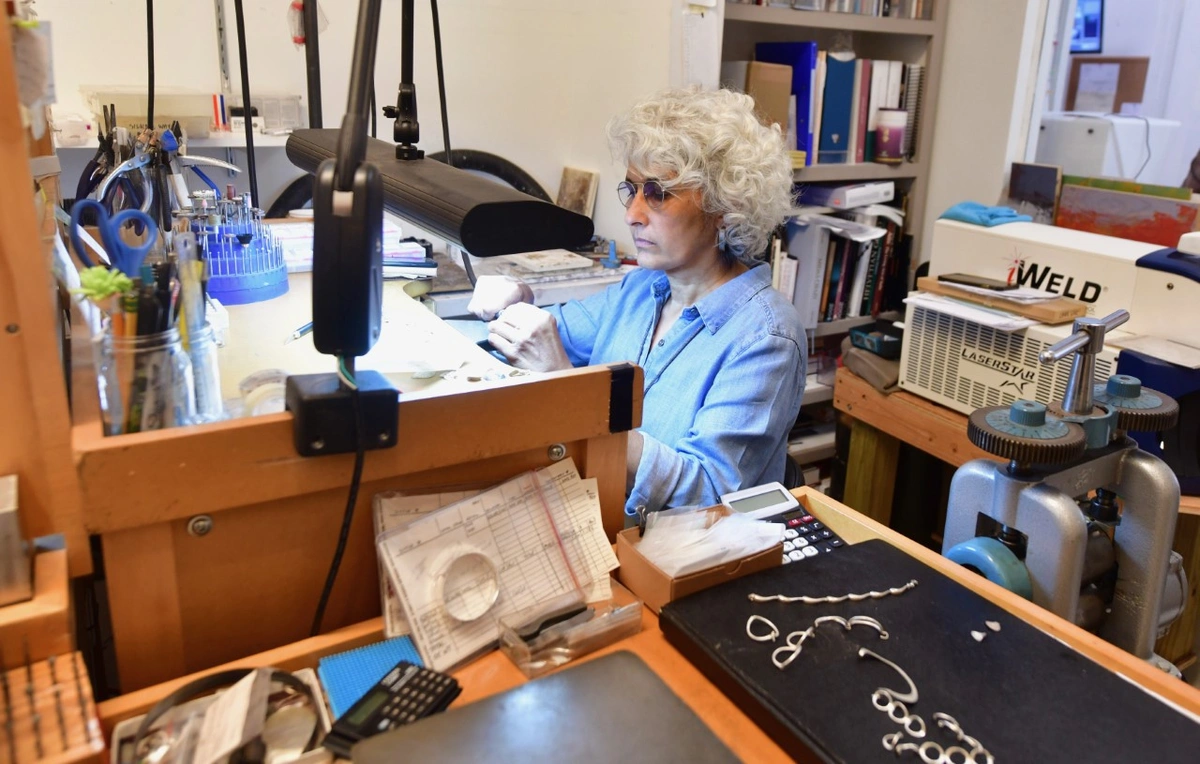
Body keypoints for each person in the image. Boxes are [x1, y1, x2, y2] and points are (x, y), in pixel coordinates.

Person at [468, 87, 805, 518]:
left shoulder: (767, 337)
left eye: (658, 193)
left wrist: (570, 395)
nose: (633, 213)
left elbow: (706, 491)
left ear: (725, 206)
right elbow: (548, 338)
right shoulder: (642, 289)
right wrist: (516, 302)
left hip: (677, 563)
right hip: (595, 522)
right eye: (631, 190)